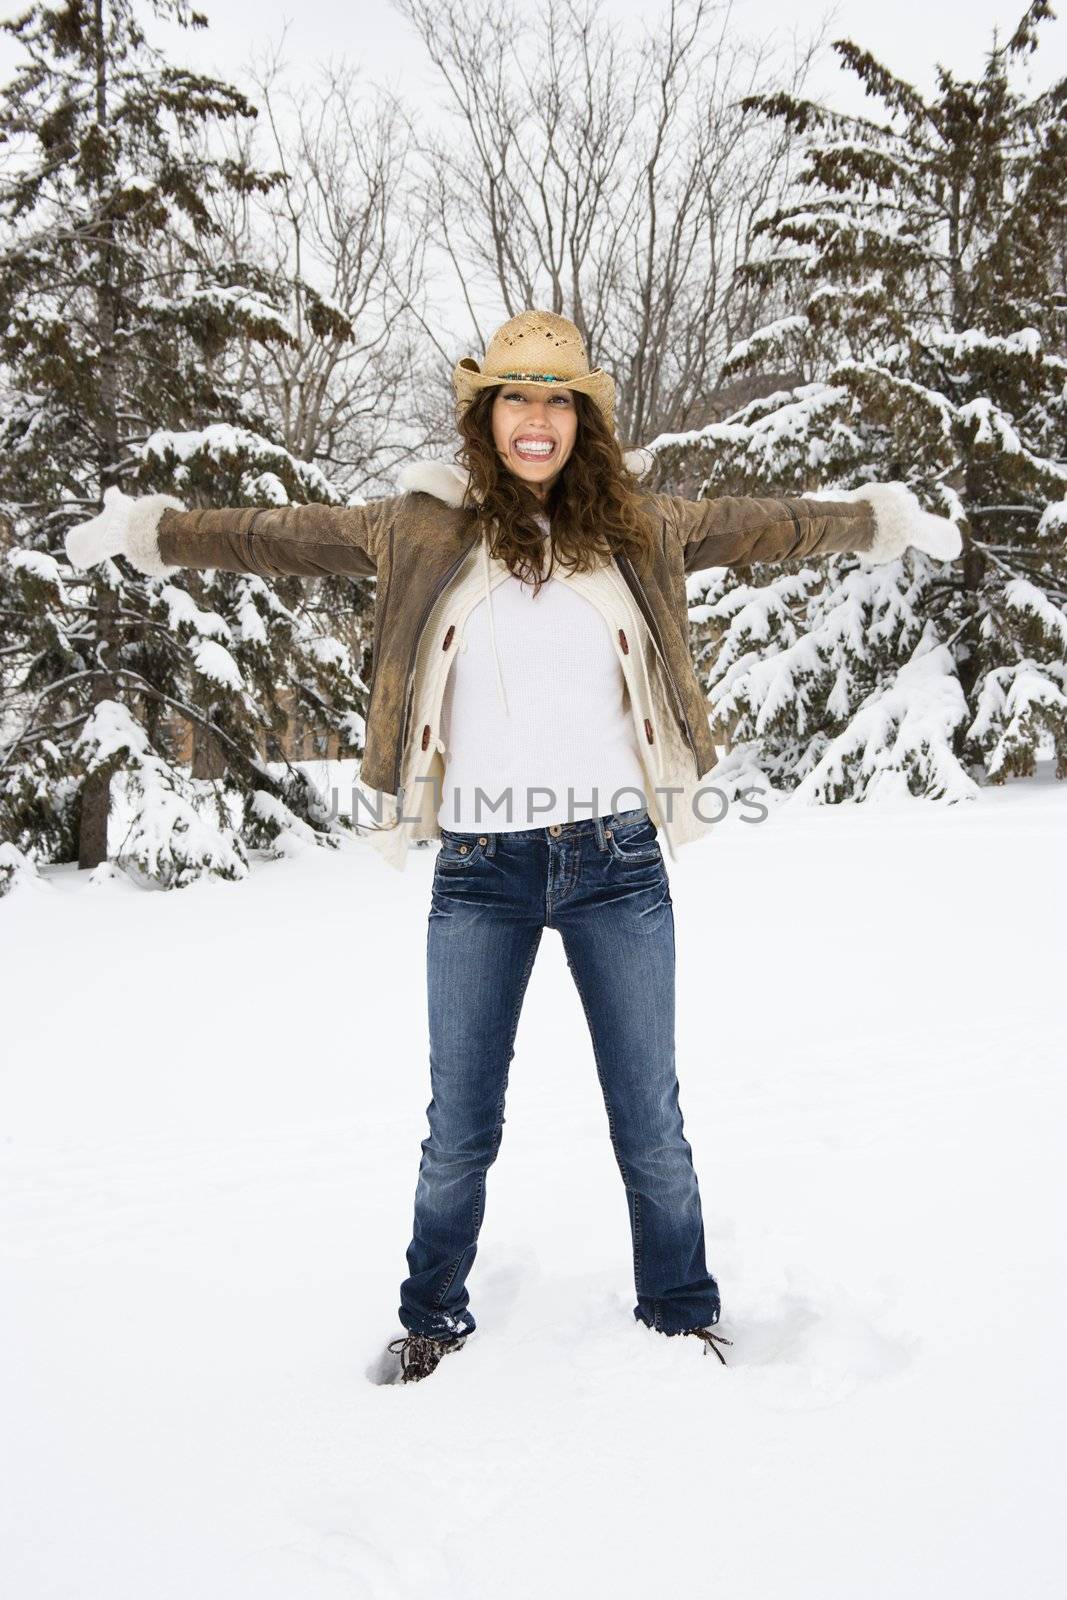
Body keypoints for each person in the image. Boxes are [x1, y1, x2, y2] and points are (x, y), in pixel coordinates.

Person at [66, 310, 962, 1384]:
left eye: (555, 401)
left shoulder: (642, 525)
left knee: (649, 1118)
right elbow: (278, 534)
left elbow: (764, 523)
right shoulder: (419, 526)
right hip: (479, 872)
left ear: (581, 419)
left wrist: (873, 520)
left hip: (617, 865)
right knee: (458, 1127)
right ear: (483, 414)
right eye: (514, 399)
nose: (534, 421)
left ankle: (680, 1312)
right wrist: (156, 532)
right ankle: (431, 1316)